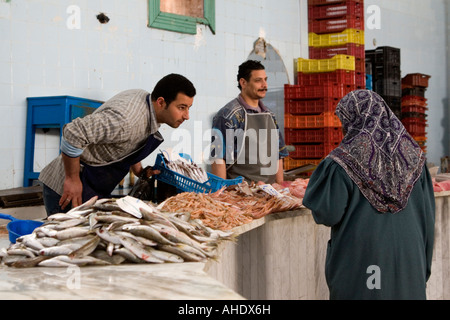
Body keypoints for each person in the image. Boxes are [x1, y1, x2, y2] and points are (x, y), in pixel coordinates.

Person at [303, 90, 435, 300]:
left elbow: (327, 214)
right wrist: (422, 269)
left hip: (363, 267)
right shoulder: (415, 158)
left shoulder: (341, 162)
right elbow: (428, 219)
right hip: (410, 263)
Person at [39, 73, 196, 216]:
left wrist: (139, 171)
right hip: (67, 192)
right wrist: (72, 179)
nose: (187, 116)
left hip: (91, 188)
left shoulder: (146, 104)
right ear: (161, 102)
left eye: (188, 108)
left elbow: (130, 141)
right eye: (181, 108)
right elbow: (74, 133)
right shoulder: (127, 121)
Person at [210, 60, 288, 184]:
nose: (264, 85)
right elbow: (218, 159)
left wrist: (280, 189)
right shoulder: (228, 115)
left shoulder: (269, 115)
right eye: (258, 80)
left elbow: (278, 155)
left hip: (269, 193)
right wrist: (221, 195)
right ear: (243, 83)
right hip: (240, 194)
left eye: (265, 80)